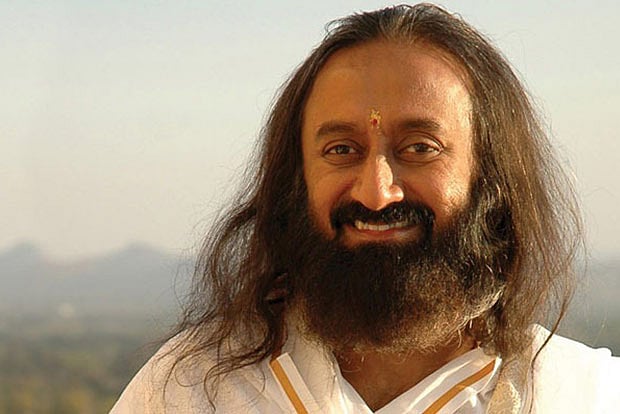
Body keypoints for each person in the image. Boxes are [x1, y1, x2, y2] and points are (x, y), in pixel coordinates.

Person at [111, 4, 619, 413]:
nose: (376, 194)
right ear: (296, 180)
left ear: (491, 176)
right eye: (341, 150)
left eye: (419, 148)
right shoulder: (192, 388)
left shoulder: (584, 395)